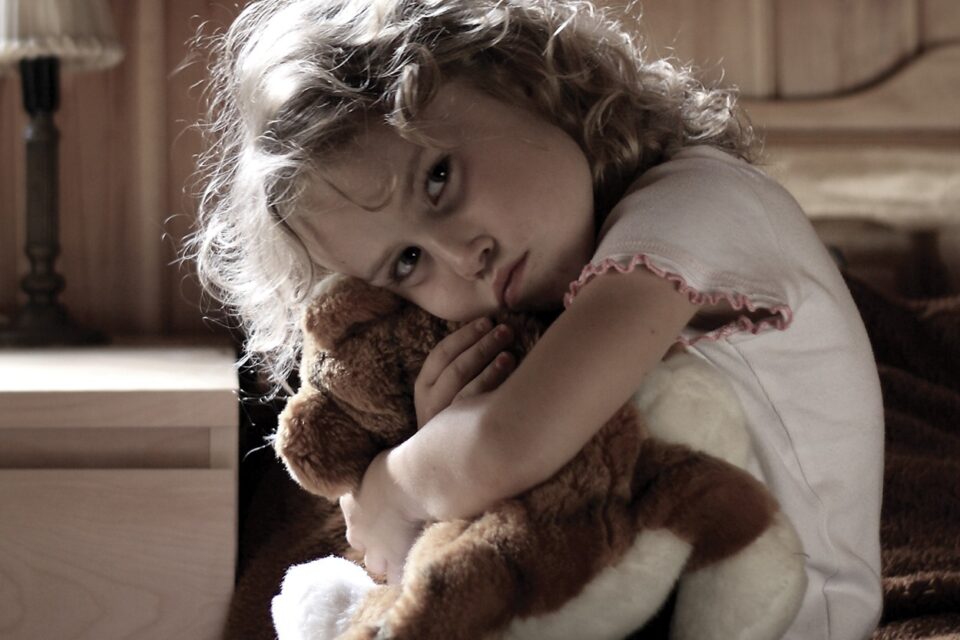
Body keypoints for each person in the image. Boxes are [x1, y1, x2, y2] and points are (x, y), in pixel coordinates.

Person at [187, 0, 884, 637]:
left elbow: (511, 441)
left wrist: (393, 486)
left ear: (520, 79)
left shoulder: (701, 201)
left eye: (438, 179)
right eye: (406, 262)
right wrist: (444, 445)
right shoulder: (543, 308)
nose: (463, 258)